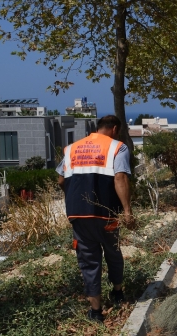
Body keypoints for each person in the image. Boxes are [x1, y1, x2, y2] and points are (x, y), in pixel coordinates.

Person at [56, 115, 134, 323]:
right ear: (115, 128)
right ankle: (117, 292)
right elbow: (120, 178)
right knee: (113, 252)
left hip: (78, 215)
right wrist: (127, 211)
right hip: (106, 213)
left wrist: (74, 200)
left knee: (89, 261)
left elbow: (61, 180)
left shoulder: (71, 148)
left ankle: (96, 311)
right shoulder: (118, 147)